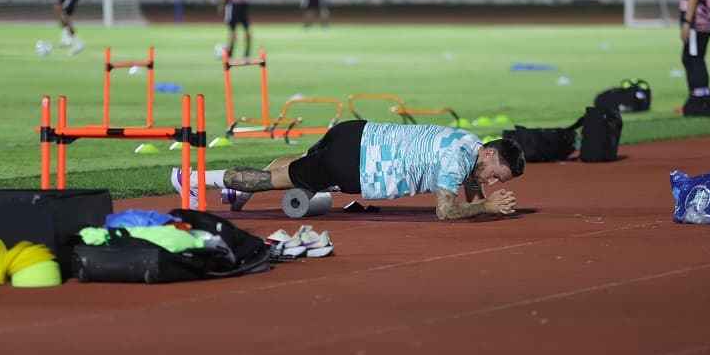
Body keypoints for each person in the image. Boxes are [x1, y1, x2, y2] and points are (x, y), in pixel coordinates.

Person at [172, 121, 525, 220]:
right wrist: (487, 206)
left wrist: (482, 196)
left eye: (498, 181)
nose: (491, 182)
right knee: (276, 181)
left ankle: (238, 190)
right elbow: (446, 211)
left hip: (355, 132)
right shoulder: (456, 159)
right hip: (357, 165)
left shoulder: (469, 142)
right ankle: (191, 179)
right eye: (495, 173)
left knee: (296, 168)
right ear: (489, 152)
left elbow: (471, 180)